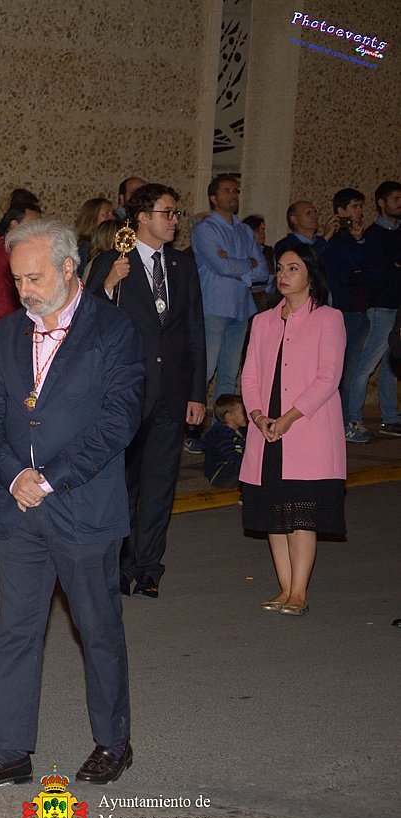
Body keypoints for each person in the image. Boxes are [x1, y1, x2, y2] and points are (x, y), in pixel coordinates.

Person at [0, 219, 143, 788]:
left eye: (34, 278)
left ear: (68, 268)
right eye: (17, 280)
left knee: (97, 628)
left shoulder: (112, 329)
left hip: (83, 506)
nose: (24, 291)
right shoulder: (9, 332)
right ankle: (11, 750)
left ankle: (113, 743)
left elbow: (119, 420)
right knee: (16, 630)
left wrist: (51, 478)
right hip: (18, 507)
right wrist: (13, 473)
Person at [87, 183, 206, 599]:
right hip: (127, 392)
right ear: (142, 217)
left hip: (172, 392)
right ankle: (120, 564)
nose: (174, 221)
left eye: (176, 214)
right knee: (123, 483)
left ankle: (149, 566)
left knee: (160, 484)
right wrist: (107, 285)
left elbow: (194, 330)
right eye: (167, 213)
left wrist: (197, 392)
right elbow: (87, 320)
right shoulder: (112, 260)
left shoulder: (182, 265)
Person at [240, 244, 346, 617]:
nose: (283, 275)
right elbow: (249, 376)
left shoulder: (328, 318)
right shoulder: (263, 321)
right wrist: (258, 416)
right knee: (274, 513)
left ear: (310, 275)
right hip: (266, 429)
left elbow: (328, 378)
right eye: (280, 268)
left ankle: (299, 592)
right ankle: (284, 588)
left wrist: (287, 418)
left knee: (300, 514)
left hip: (305, 430)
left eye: (293, 268)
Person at [192, 175, 268, 400]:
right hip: (214, 308)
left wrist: (234, 264)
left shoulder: (245, 230)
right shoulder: (206, 230)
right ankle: (189, 419)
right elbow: (222, 267)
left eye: (235, 191)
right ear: (213, 198)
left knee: (229, 374)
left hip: (241, 308)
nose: (233, 195)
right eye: (227, 191)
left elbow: (263, 271)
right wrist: (247, 263)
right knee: (205, 370)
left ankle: (222, 421)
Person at [349, 181, 401, 439]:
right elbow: (375, 271)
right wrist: (392, 268)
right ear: (381, 203)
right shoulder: (373, 235)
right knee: (366, 365)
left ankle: (391, 417)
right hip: (380, 307)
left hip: (397, 307)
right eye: (395, 199)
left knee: (392, 364)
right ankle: (354, 418)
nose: (399, 203)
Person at [323, 188, 371, 441]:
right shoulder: (333, 240)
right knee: (341, 373)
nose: (359, 212)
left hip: (360, 310)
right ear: (340, 211)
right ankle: (339, 424)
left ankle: (347, 420)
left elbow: (369, 267)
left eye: (361, 207)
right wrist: (360, 267)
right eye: (354, 207)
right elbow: (349, 271)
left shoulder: (358, 238)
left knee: (351, 373)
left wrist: (360, 242)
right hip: (342, 310)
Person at [0, 203, 40, 346]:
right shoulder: (2, 255)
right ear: (14, 225)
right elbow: (0, 299)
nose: (37, 229)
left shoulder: (12, 250)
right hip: (2, 333)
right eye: (32, 224)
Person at [203, 393, 245, 489]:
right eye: (243, 412)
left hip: (233, 469)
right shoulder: (221, 435)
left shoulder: (240, 431)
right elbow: (232, 458)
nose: (247, 415)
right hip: (219, 475)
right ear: (229, 416)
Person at [74, 197, 115, 275]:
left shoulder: (104, 244)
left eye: (112, 213)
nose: (113, 218)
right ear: (92, 217)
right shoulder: (85, 247)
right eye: (107, 213)